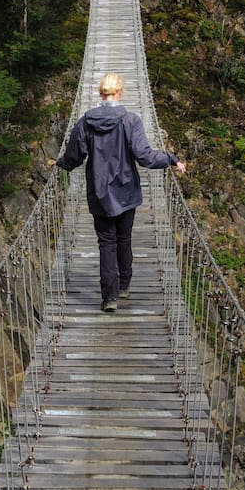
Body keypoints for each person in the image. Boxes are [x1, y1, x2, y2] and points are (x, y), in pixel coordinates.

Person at [55, 73, 186, 312]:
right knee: (123, 238)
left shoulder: (86, 122)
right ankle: (124, 284)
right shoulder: (130, 121)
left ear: (99, 93)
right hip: (126, 192)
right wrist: (171, 159)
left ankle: (110, 297)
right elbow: (145, 156)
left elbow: (74, 155)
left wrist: (60, 163)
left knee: (106, 243)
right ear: (121, 92)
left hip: (98, 193)